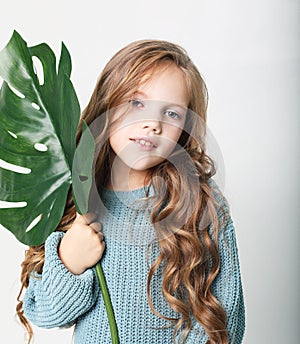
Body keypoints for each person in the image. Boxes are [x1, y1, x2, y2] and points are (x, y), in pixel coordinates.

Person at [16, 40, 245, 344]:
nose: (153, 124)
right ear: (108, 104)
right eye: (137, 103)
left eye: (172, 114)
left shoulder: (199, 202)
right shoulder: (76, 195)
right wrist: (70, 263)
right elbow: (45, 313)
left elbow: (224, 316)